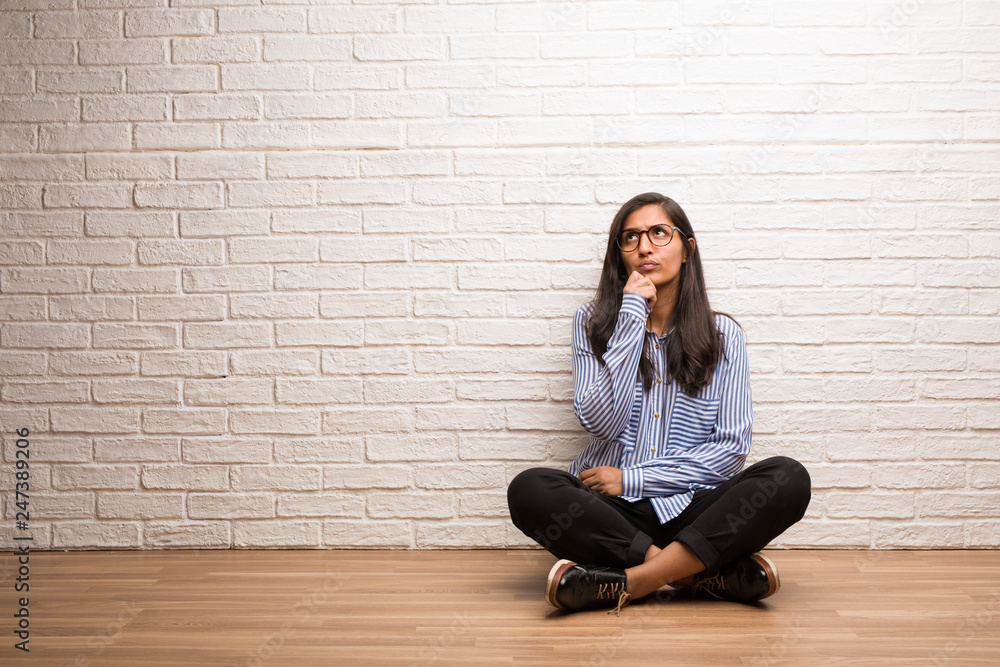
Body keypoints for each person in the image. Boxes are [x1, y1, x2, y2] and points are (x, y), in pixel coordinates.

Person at [507, 192, 811, 615]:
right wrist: (631, 314)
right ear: (620, 254)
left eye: (658, 233)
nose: (644, 247)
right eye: (630, 238)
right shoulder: (592, 322)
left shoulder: (724, 336)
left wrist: (632, 479)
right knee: (530, 489)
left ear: (687, 248)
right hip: (613, 516)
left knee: (788, 478)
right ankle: (696, 575)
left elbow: (729, 452)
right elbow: (602, 424)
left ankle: (629, 582)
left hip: (692, 507)